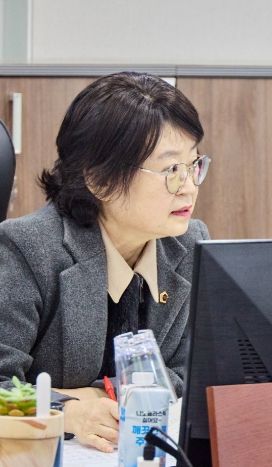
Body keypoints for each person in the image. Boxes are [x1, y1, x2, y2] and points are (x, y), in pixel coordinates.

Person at [0, 72, 211, 452]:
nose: (189, 187)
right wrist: (66, 410)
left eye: (193, 164)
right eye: (170, 170)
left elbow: (191, 370)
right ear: (99, 180)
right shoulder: (26, 250)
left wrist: (103, 395)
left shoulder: (188, 243)